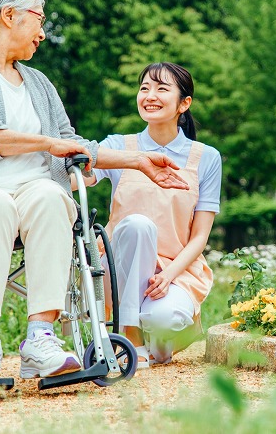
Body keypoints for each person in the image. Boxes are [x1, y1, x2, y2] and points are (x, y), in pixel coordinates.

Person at [0, 0, 189, 380]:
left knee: (54, 199)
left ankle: (41, 339)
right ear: (9, 15)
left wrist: (138, 161)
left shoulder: (39, 83)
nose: (43, 33)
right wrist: (46, 144)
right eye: (39, 19)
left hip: (34, 193)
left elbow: (72, 143)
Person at [87, 62, 222, 366]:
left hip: (174, 269)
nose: (150, 95)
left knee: (165, 319)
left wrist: (169, 277)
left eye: (162, 89)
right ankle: (131, 337)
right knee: (137, 226)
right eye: (145, 88)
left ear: (183, 104)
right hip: (117, 266)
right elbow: (80, 178)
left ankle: (163, 338)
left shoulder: (206, 158)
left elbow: (200, 236)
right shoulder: (119, 146)